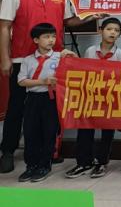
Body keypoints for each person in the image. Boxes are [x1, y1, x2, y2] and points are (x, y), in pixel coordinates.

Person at [0, 0, 107, 174]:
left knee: (50, 109)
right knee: (16, 107)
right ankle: (8, 151)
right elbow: (4, 27)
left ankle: (48, 152)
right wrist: (5, 58)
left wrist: (91, 17)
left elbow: (67, 21)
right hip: (22, 59)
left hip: (54, 59)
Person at [65, 18, 121, 179]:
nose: (113, 33)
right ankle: (84, 162)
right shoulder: (90, 51)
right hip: (90, 97)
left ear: (120, 35)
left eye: (117, 30)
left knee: (107, 131)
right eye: (109, 29)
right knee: (85, 129)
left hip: (109, 98)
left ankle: (102, 162)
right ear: (100, 31)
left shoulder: (120, 54)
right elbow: (84, 72)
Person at [17, 23, 75, 182]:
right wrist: (43, 81)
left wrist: (73, 56)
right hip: (33, 99)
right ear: (36, 40)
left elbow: (78, 70)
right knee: (31, 133)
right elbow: (21, 81)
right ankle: (31, 165)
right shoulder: (28, 60)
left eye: (53, 37)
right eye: (46, 37)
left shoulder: (60, 57)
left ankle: (44, 165)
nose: (51, 40)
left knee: (49, 132)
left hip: (52, 99)